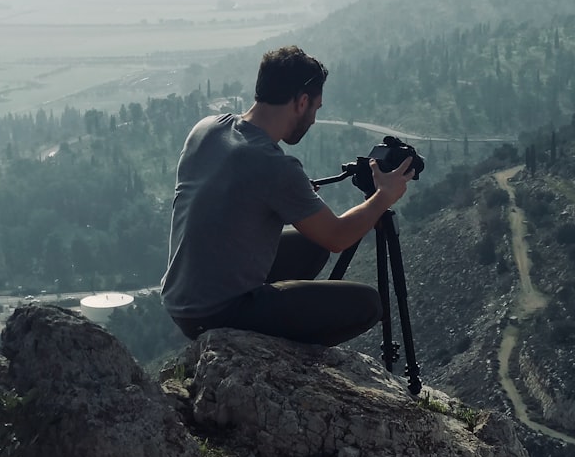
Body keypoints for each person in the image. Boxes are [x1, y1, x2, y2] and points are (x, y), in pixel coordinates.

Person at [160, 45, 415, 345]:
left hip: (181, 300)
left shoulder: (207, 129)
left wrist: (286, 196)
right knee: (368, 305)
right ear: (302, 101)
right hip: (218, 313)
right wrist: (383, 196)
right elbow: (338, 237)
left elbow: (233, 192)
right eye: (316, 109)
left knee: (313, 245)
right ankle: (280, 360)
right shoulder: (275, 166)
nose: (314, 119)